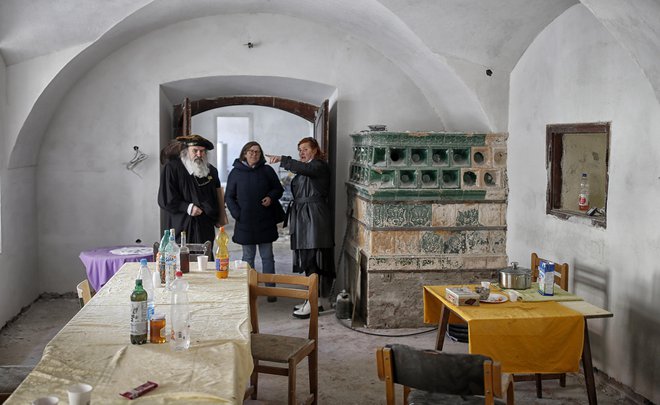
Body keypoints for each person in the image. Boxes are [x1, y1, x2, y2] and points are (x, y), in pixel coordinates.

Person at [266, 137, 335, 318]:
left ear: (315, 150)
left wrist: (282, 159)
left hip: (314, 217)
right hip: (305, 216)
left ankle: (312, 302)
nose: (302, 153)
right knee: (307, 259)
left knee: (312, 259)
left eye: (305, 149)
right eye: (299, 150)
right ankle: (314, 300)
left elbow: (304, 169)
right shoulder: (308, 167)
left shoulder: (318, 166)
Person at [225, 142, 285, 302]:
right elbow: (228, 197)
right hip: (245, 222)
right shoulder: (236, 173)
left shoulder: (267, 170)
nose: (254, 154)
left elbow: (278, 189)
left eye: (257, 152)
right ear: (244, 153)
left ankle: (270, 291)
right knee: (248, 257)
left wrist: (271, 197)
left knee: (267, 257)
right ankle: (248, 290)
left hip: (265, 219)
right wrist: (237, 214)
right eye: (251, 151)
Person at [158, 134, 228, 244]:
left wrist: (218, 213)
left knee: (205, 257)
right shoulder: (172, 168)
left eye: (202, 151)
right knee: (182, 258)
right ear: (186, 151)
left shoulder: (212, 171)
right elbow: (166, 198)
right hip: (182, 225)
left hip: (205, 227)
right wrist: (188, 207)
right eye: (195, 151)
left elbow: (216, 196)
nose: (199, 154)